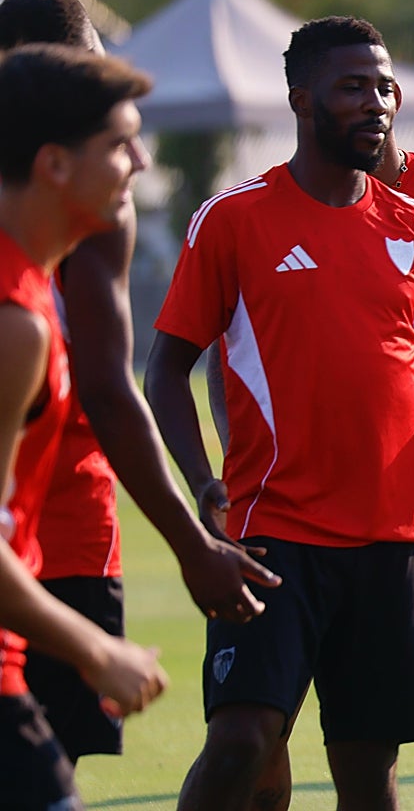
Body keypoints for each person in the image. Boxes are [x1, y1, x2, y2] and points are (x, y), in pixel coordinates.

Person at [144, 16, 414, 811]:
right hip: (276, 532)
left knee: (370, 772)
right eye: (353, 88)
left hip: (395, 543)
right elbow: (165, 369)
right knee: (241, 743)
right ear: (301, 100)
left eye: (385, 87)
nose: (377, 104)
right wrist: (201, 482)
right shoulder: (233, 219)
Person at [0, 0, 280, 769]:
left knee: (53, 762)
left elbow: (107, 383)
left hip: (67, 519)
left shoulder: (97, 216)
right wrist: (192, 546)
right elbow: (111, 386)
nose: (137, 159)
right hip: (24, 538)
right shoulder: (16, 323)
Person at [0, 42, 168, 810]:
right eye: (119, 144)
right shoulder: (15, 325)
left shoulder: (31, 291)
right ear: (54, 166)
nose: (138, 161)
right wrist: (98, 651)